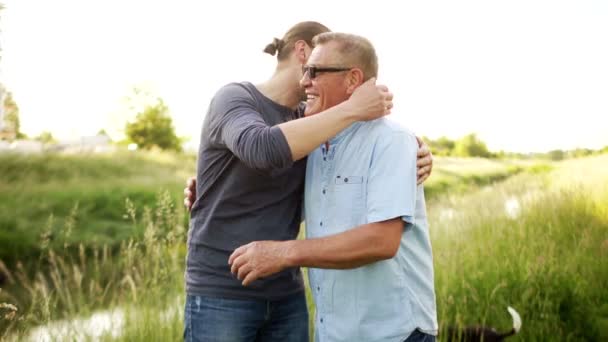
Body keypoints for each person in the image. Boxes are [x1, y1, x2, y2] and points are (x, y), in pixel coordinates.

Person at [184, 21, 433, 342]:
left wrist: (420, 152)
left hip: (287, 294)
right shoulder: (236, 98)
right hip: (222, 292)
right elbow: (263, 148)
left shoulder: (317, 125)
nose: (307, 81)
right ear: (302, 50)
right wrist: (354, 107)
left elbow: (377, 146)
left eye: (316, 72)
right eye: (309, 69)